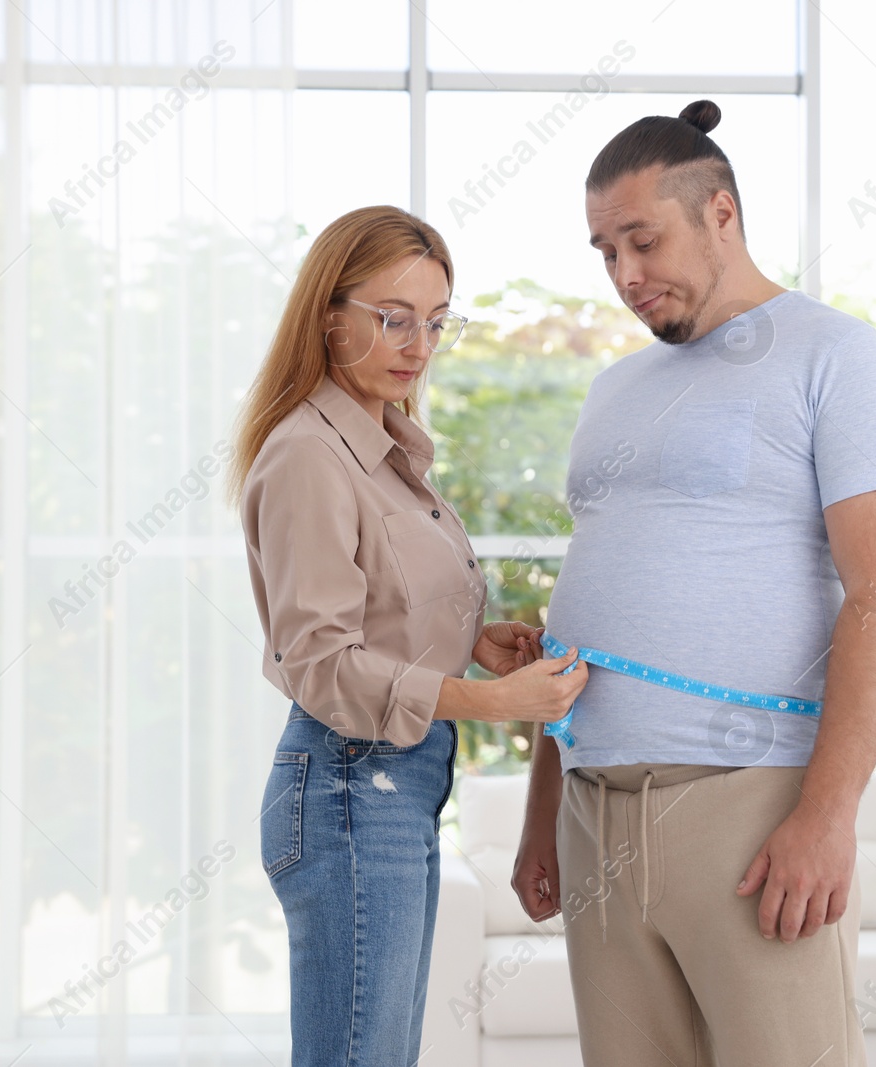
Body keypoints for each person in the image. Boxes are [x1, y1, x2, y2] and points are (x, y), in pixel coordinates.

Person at [510, 101, 876, 1066]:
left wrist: (825, 817)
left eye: (644, 241)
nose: (625, 275)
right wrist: (545, 813)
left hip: (750, 807)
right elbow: (588, 608)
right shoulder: (614, 388)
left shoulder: (837, 354)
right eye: (604, 251)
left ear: (722, 214)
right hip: (594, 811)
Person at [227, 204, 587, 1067]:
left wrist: (469, 642)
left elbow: (373, 618)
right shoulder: (310, 453)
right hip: (353, 784)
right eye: (394, 318)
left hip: (395, 785)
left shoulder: (385, 447)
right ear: (329, 316)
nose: (418, 343)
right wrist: (490, 700)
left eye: (435, 321)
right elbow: (320, 662)